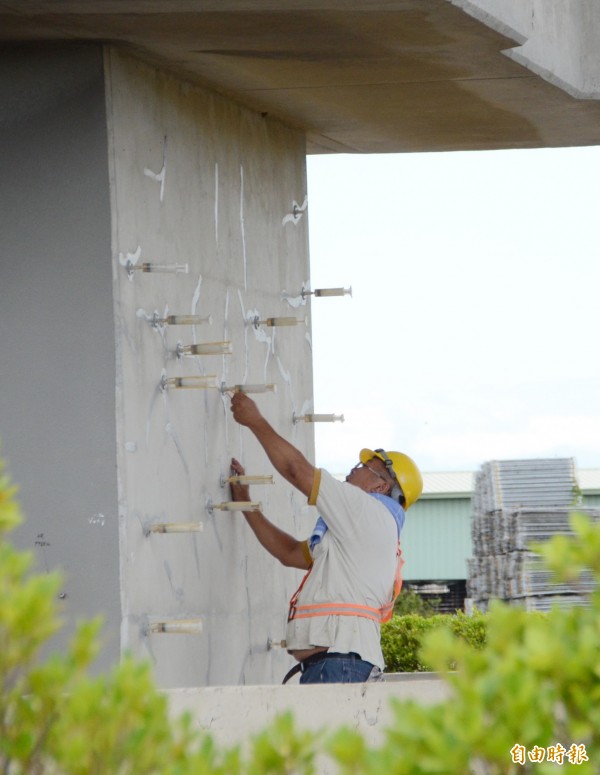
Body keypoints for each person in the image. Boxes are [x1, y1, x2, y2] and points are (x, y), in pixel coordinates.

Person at [228, 391, 423, 684]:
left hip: (340, 667)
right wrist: (246, 504)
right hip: (339, 665)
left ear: (382, 486)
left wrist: (256, 421)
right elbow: (290, 553)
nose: (352, 471)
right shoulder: (364, 533)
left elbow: (298, 471)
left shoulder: (366, 511)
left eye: (364, 468)